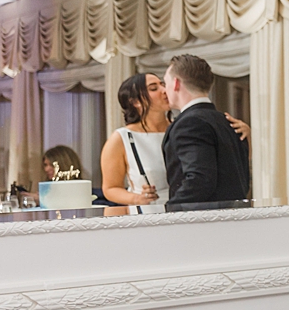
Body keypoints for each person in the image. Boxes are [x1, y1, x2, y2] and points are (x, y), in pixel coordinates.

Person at [162, 54, 251, 210]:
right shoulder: (228, 122)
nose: (165, 90)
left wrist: (171, 210)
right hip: (234, 220)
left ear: (176, 83)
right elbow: (243, 181)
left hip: (202, 224)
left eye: (165, 83)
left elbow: (200, 179)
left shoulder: (189, 123)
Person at [101, 73, 170, 209]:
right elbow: (110, 188)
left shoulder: (180, 130)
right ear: (135, 102)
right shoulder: (122, 138)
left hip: (186, 213)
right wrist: (136, 198)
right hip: (148, 213)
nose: (164, 91)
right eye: (153, 88)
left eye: (163, 85)